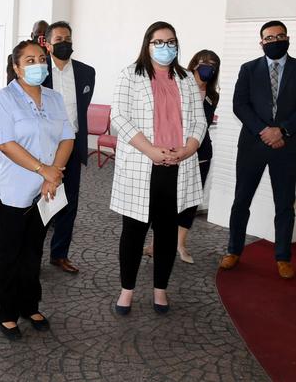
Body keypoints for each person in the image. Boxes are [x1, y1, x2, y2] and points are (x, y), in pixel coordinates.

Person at [111, 21, 206, 315]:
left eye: (171, 41)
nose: (166, 47)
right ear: (147, 44)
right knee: (134, 231)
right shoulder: (131, 75)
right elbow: (119, 118)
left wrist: (189, 148)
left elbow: (199, 121)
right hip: (143, 164)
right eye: (159, 42)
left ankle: (160, 289)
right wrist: (151, 150)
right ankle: (127, 291)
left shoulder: (186, 78)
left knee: (166, 232)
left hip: (177, 165)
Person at [0, 40, 74, 339]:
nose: (37, 64)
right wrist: (43, 169)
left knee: (33, 250)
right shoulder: (5, 98)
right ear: (16, 67)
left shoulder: (54, 98)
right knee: (11, 251)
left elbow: (67, 138)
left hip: (46, 190)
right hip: (14, 190)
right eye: (29, 60)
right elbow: (5, 143)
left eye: (41, 58)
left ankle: (29, 305)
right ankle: (7, 311)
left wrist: (53, 175)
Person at [220, 21, 296, 279]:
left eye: (279, 36)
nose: (275, 40)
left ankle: (283, 257)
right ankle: (233, 250)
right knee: (241, 200)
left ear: (287, 38)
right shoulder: (248, 69)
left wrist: (282, 130)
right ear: (261, 42)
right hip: (253, 144)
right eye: (269, 37)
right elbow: (239, 105)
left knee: (285, 204)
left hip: (287, 146)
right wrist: (264, 131)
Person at [144, 50, 221, 264]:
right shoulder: (177, 86)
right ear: (194, 63)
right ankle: (156, 242)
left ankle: (180, 243)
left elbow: (201, 125)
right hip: (174, 152)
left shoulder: (213, 95)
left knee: (189, 202)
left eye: (213, 64)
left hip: (201, 153)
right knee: (166, 200)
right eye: (204, 62)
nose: (208, 66)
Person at [42, 21, 95, 274]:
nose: (65, 43)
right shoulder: (39, 71)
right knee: (40, 199)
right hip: (43, 148)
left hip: (72, 144)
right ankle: (31, 253)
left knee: (69, 202)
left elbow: (80, 112)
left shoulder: (87, 73)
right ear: (48, 44)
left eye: (68, 39)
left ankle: (59, 254)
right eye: (59, 39)